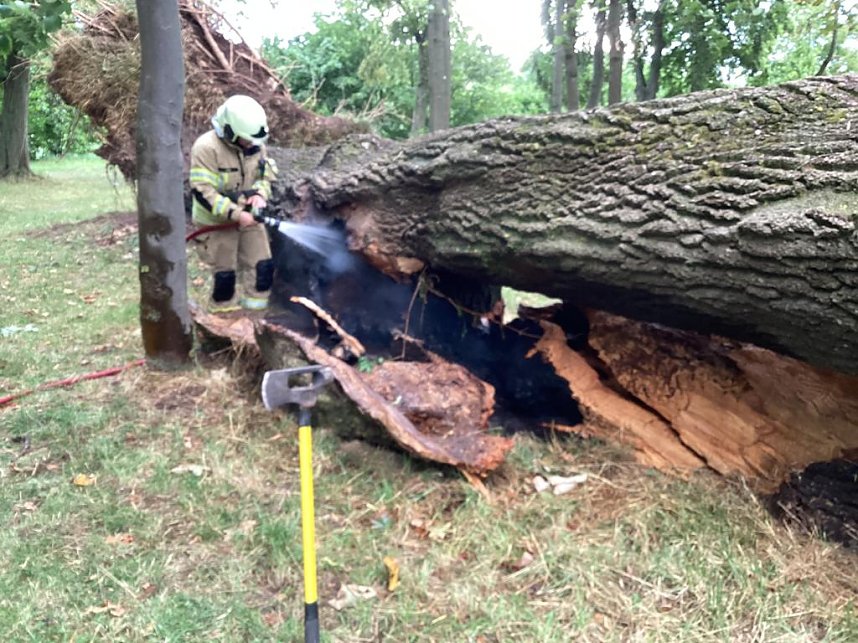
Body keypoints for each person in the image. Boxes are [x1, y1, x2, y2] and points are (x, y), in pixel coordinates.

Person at [189, 94, 279, 312]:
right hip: (217, 223)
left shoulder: (255, 144)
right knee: (225, 277)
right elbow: (203, 191)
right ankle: (224, 321)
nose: (251, 145)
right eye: (246, 140)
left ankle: (256, 318)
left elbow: (265, 175)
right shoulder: (206, 148)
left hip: (249, 218)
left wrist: (260, 194)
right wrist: (236, 214)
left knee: (262, 268)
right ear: (228, 131)